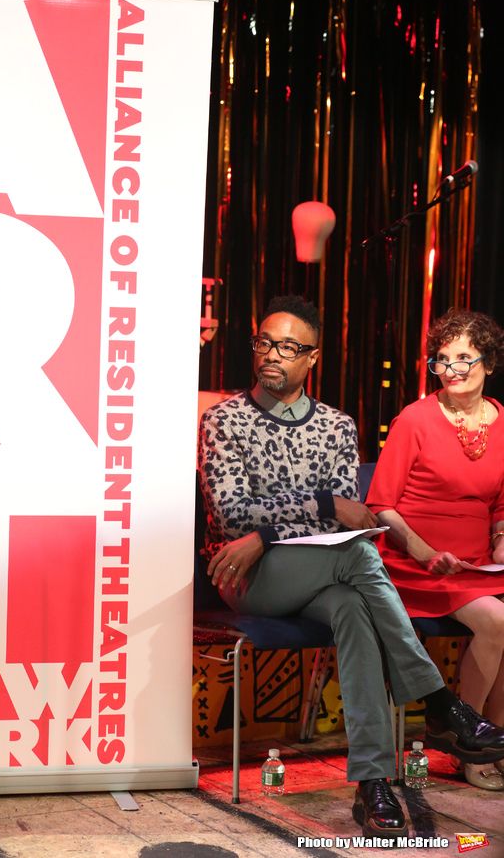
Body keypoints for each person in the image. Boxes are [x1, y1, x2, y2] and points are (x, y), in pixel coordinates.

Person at [197, 295, 504, 844]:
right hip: (249, 578)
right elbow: (234, 513)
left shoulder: (336, 426)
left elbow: (349, 516)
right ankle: (439, 702)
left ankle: (372, 782)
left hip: (322, 571)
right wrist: (307, 512)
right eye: (264, 343)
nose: (272, 354)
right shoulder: (224, 419)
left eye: (287, 347)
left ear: (312, 357)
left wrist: (274, 527)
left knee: (357, 609)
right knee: (358, 555)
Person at [366, 308, 504, 791]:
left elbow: (501, 503)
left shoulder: (502, 421)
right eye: (442, 359)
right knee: (496, 620)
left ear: (489, 362)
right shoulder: (415, 419)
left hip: (477, 566)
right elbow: (381, 505)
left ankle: (497, 739)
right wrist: (425, 553)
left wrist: (501, 542)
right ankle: (467, 741)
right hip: (417, 563)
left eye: (464, 358)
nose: (451, 369)